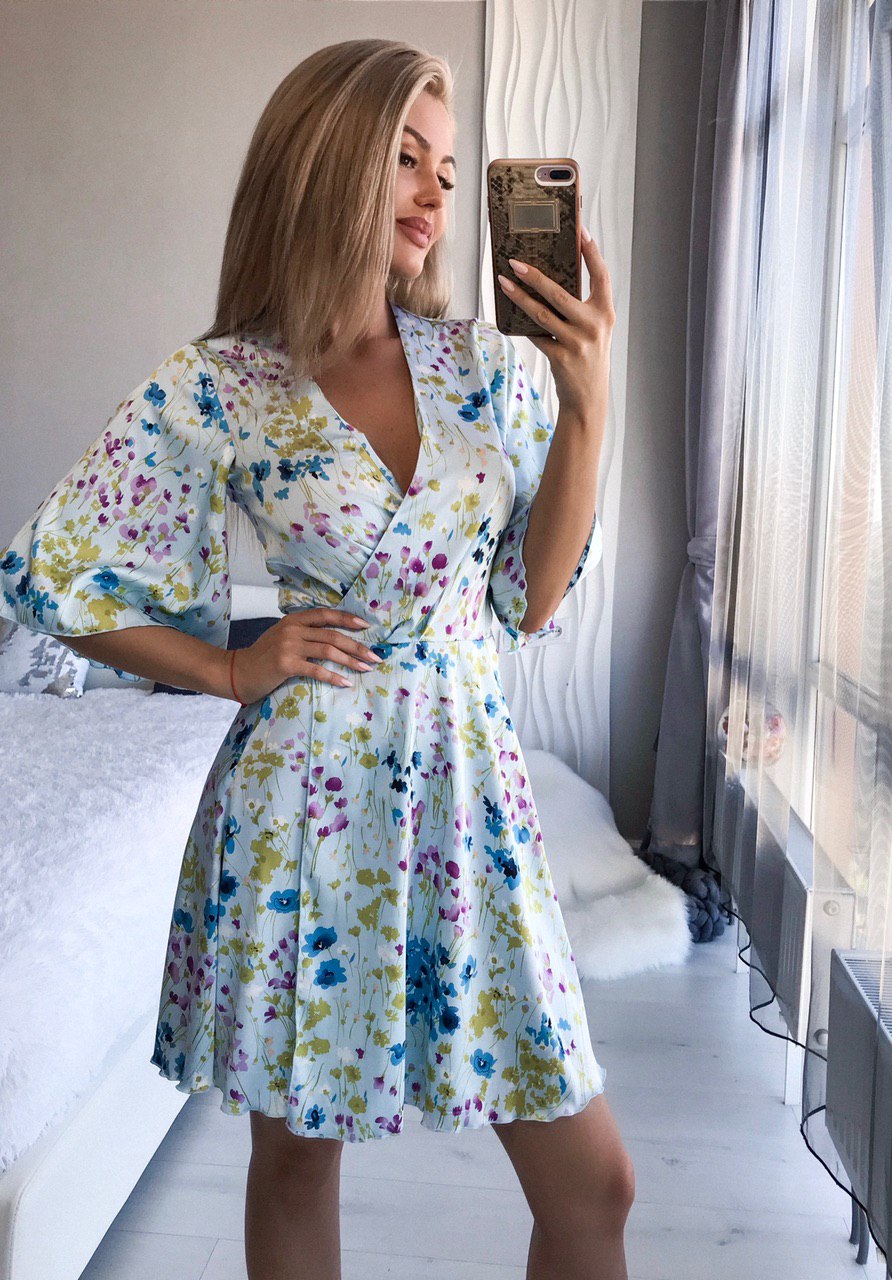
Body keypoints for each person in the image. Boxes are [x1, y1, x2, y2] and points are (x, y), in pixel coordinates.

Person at [0, 37, 632, 1280]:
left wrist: (588, 401)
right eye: (405, 155)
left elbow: (529, 598)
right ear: (326, 158)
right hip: (304, 801)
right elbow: (54, 576)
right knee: (297, 1162)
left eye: (448, 169)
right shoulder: (222, 384)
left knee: (594, 1187)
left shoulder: (488, 372)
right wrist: (231, 669)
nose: (434, 192)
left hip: (468, 794)